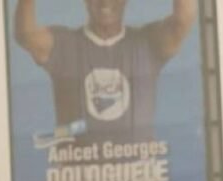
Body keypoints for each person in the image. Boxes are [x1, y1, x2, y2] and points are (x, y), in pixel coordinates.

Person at [15, 0, 197, 145]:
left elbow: (183, 19)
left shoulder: (147, 43)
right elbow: (25, 34)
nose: (105, 1)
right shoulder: (64, 44)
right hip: (77, 179)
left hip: (139, 177)